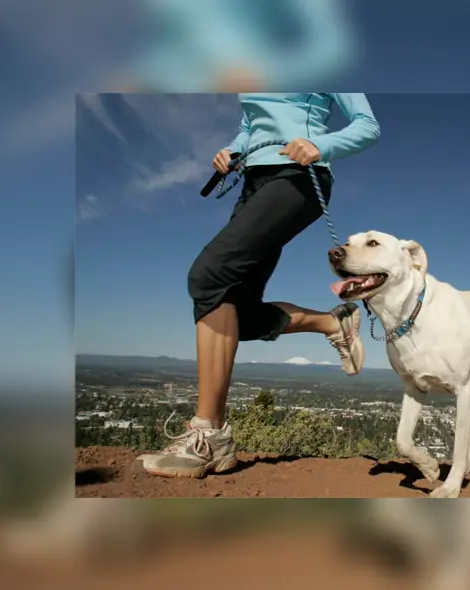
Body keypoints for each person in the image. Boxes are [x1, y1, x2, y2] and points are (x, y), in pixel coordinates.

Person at [138, 93, 381, 478]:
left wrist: (321, 144)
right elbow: (251, 125)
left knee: (209, 274)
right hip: (254, 180)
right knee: (241, 317)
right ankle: (333, 323)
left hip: (299, 177)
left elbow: (368, 125)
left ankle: (209, 432)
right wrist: (232, 150)